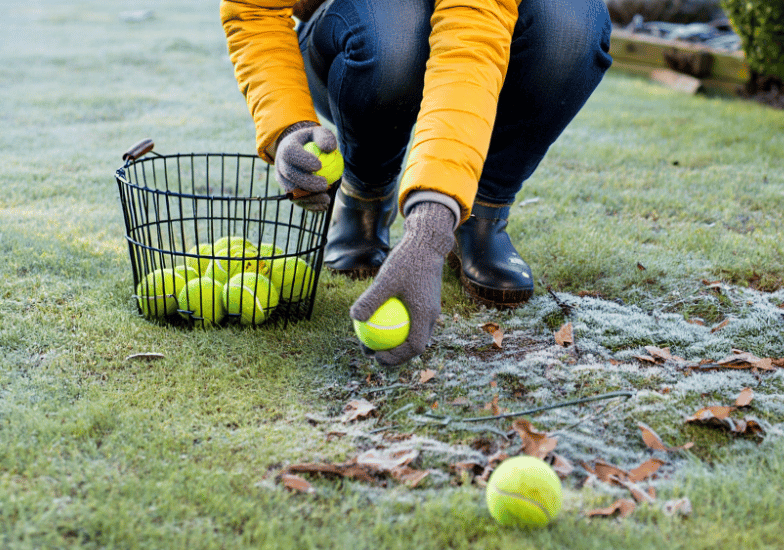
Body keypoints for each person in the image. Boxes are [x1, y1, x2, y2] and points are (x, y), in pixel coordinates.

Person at [221, 0, 613, 365]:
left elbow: (470, 38)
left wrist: (431, 226)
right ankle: (365, 193)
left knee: (570, 27)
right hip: (353, 33)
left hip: (481, 21)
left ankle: (483, 209)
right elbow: (253, 10)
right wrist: (288, 126)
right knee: (395, 25)